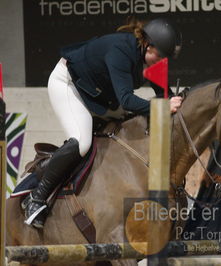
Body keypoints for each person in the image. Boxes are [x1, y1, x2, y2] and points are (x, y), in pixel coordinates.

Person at [22, 17, 183, 228]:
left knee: (130, 124)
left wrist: (177, 103)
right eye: (160, 56)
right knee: (82, 142)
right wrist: (163, 107)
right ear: (147, 45)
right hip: (68, 84)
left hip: (98, 96)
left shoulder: (150, 58)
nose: (162, 62)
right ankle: (37, 196)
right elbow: (127, 100)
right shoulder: (121, 52)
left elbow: (164, 94)